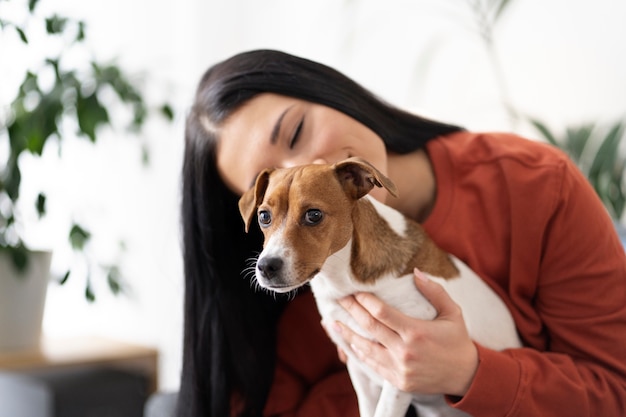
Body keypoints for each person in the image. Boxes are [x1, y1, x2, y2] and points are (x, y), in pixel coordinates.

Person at [178, 49, 626, 417]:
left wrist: (470, 372)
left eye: (296, 131)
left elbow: (616, 392)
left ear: (331, 92)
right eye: (276, 183)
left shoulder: (537, 186)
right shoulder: (298, 288)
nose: (306, 174)